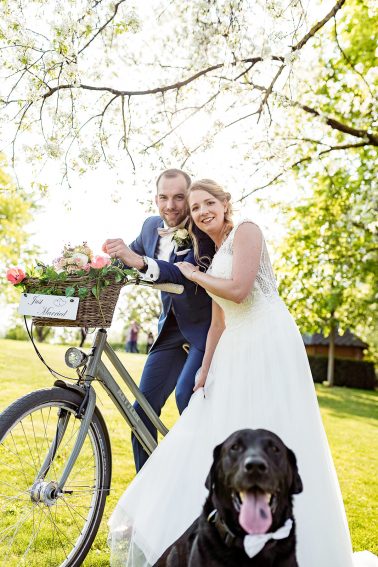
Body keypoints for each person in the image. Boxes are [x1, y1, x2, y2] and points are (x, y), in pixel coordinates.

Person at [108, 179, 377, 567]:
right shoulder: (214, 253)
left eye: (208, 203)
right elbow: (218, 322)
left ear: (225, 202)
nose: (202, 211)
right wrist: (204, 367)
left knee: (275, 432)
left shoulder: (247, 231)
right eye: (196, 207)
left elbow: (239, 290)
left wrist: (195, 276)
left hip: (269, 343)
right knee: (207, 434)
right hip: (233, 349)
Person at [102, 169, 215, 471]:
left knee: (186, 400)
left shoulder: (201, 230)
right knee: (141, 412)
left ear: (189, 198)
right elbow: (128, 257)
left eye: (179, 197)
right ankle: (149, 493)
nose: (171, 205)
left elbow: (181, 273)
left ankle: (204, 482)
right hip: (170, 331)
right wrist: (95, 263)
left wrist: (138, 262)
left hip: (204, 331)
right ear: (155, 199)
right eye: (164, 197)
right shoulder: (151, 226)